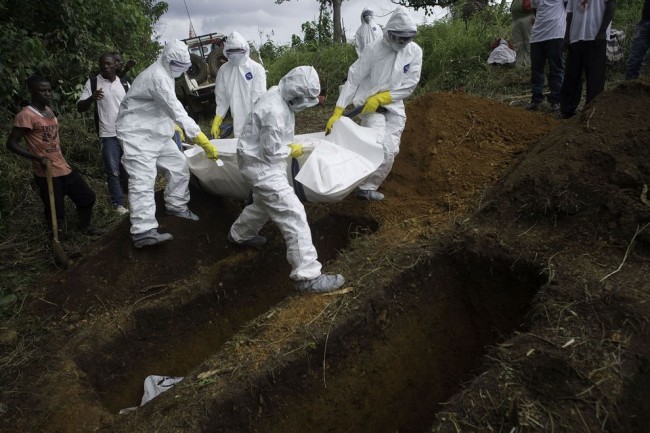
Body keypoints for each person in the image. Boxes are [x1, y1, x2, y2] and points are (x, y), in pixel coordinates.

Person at [227, 66, 345, 294]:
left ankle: (239, 235)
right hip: (263, 167)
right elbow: (272, 150)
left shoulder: (277, 95)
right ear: (294, 93)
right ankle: (307, 276)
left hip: (259, 164)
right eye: (303, 99)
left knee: (263, 204)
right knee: (293, 213)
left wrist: (288, 148)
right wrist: (292, 150)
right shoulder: (274, 110)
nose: (303, 104)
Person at [116, 39, 219, 248]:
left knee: (179, 166)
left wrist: (173, 126)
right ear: (167, 60)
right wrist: (200, 138)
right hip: (137, 134)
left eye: (184, 67)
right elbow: (176, 108)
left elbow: (163, 106)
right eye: (178, 67)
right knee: (143, 180)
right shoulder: (157, 76)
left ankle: (177, 207)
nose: (180, 71)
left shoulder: (166, 74)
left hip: (157, 132)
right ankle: (143, 231)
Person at [326, 6, 422, 201]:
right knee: (378, 144)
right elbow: (353, 78)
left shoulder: (414, 52)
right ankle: (358, 184)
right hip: (369, 107)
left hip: (393, 105)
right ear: (389, 33)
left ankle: (368, 186)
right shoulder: (373, 50)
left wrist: (383, 98)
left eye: (407, 38)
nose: (403, 42)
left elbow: (410, 84)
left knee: (392, 149)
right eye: (399, 38)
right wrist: (339, 110)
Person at [6, 76, 103, 239]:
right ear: (32, 92)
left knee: (87, 197)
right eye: (42, 90)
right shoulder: (26, 115)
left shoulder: (49, 110)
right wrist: (38, 159)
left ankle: (85, 227)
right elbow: (11, 144)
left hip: (62, 166)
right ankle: (57, 240)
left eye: (49, 90)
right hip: (46, 172)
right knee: (55, 211)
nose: (47, 93)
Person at [77, 53, 129, 214]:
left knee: (130, 167)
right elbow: (80, 107)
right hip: (107, 134)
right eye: (102, 64)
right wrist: (92, 98)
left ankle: (134, 197)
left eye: (108, 64)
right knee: (112, 170)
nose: (105, 67)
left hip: (127, 133)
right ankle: (118, 204)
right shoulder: (93, 82)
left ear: (116, 65)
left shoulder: (125, 83)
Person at [559, 0, 617, 119]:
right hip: (575, 36)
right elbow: (569, 13)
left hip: (595, 36)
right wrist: (566, 35)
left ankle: (592, 111)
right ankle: (567, 110)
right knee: (571, 75)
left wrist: (602, 31)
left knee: (595, 77)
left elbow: (611, 5)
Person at [210, 31, 267, 139]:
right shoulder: (224, 70)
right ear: (226, 52)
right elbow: (222, 99)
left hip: (258, 121)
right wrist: (217, 120)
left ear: (245, 50)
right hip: (238, 123)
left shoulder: (256, 69)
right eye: (232, 51)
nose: (235, 55)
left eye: (238, 51)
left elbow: (259, 98)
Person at [526, 0, 567, 111]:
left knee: (556, 68)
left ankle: (556, 100)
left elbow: (568, 7)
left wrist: (566, 32)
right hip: (537, 35)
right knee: (536, 69)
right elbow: (535, 9)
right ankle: (536, 99)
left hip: (555, 32)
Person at [625, 0, 650, 80]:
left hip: (645, 23)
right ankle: (629, 87)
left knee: (635, 59)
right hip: (646, 21)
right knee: (635, 60)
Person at [511, 0, 535, 67]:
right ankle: (519, 64)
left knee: (528, 41)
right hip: (516, 19)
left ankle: (529, 64)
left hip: (527, 17)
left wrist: (533, 16)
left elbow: (536, 4)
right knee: (518, 43)